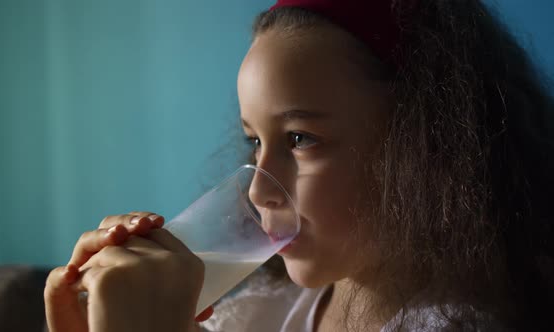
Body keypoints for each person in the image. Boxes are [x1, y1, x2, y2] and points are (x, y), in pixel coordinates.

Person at [44, 0, 554, 331]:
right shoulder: (264, 311)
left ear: (425, 142)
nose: (256, 191)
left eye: (300, 138)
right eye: (254, 141)